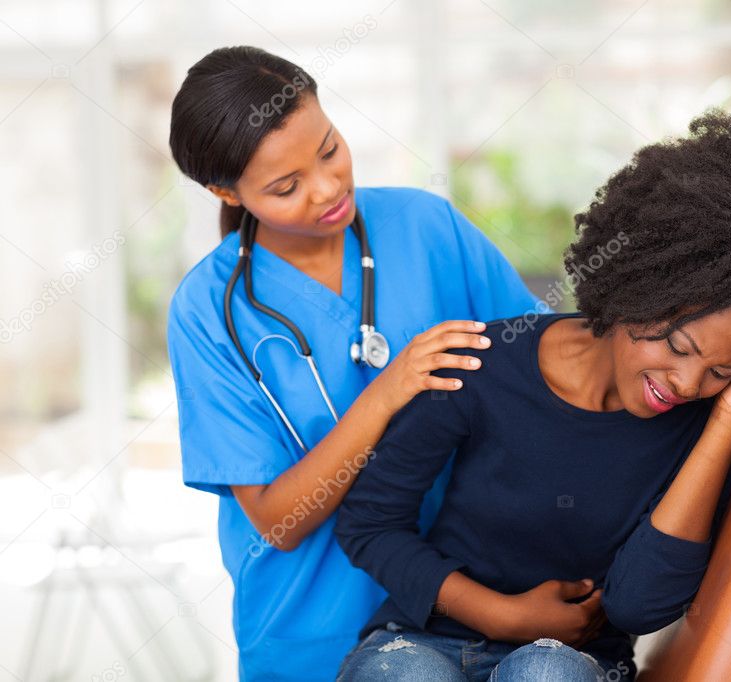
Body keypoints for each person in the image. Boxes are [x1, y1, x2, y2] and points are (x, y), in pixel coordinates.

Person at [334, 109, 731, 681]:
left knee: (546, 671)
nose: (688, 384)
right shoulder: (481, 366)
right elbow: (370, 524)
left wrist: (729, 416)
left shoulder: (709, 427)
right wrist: (500, 614)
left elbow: (639, 607)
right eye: (678, 345)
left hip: (575, 658)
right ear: (631, 292)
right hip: (423, 640)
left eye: (723, 370)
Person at [165, 46, 542, 680]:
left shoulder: (426, 226)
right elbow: (278, 521)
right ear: (225, 191)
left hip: (476, 609)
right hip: (313, 631)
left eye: (330, 149)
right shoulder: (207, 311)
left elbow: (547, 368)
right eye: (286, 187)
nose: (328, 188)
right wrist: (387, 392)